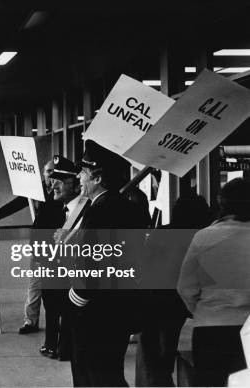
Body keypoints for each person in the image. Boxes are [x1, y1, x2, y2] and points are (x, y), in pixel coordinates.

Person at [67, 140, 144, 387]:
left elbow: (92, 263)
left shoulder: (99, 211)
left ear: (98, 177)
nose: (79, 177)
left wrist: (76, 296)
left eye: (84, 172)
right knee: (110, 372)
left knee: (92, 374)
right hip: (121, 308)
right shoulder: (128, 208)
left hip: (97, 312)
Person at [177, 178, 250, 387]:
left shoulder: (204, 237)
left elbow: (185, 287)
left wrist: (200, 310)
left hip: (210, 329)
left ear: (221, 202)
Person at [135, 195, 211, 386]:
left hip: (155, 305)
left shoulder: (161, 233)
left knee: (154, 363)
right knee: (187, 362)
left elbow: (144, 270)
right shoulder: (204, 237)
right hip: (187, 308)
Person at [0, 161, 56, 335]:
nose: (51, 174)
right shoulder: (35, 190)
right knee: (35, 283)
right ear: (43, 173)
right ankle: (30, 321)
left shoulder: (63, 191)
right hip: (39, 243)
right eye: (48, 171)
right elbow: (17, 203)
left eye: (54, 171)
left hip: (58, 243)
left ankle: (58, 323)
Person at [38, 156, 89, 360]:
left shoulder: (86, 210)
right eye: (53, 178)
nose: (53, 184)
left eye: (60, 180)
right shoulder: (67, 209)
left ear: (76, 184)